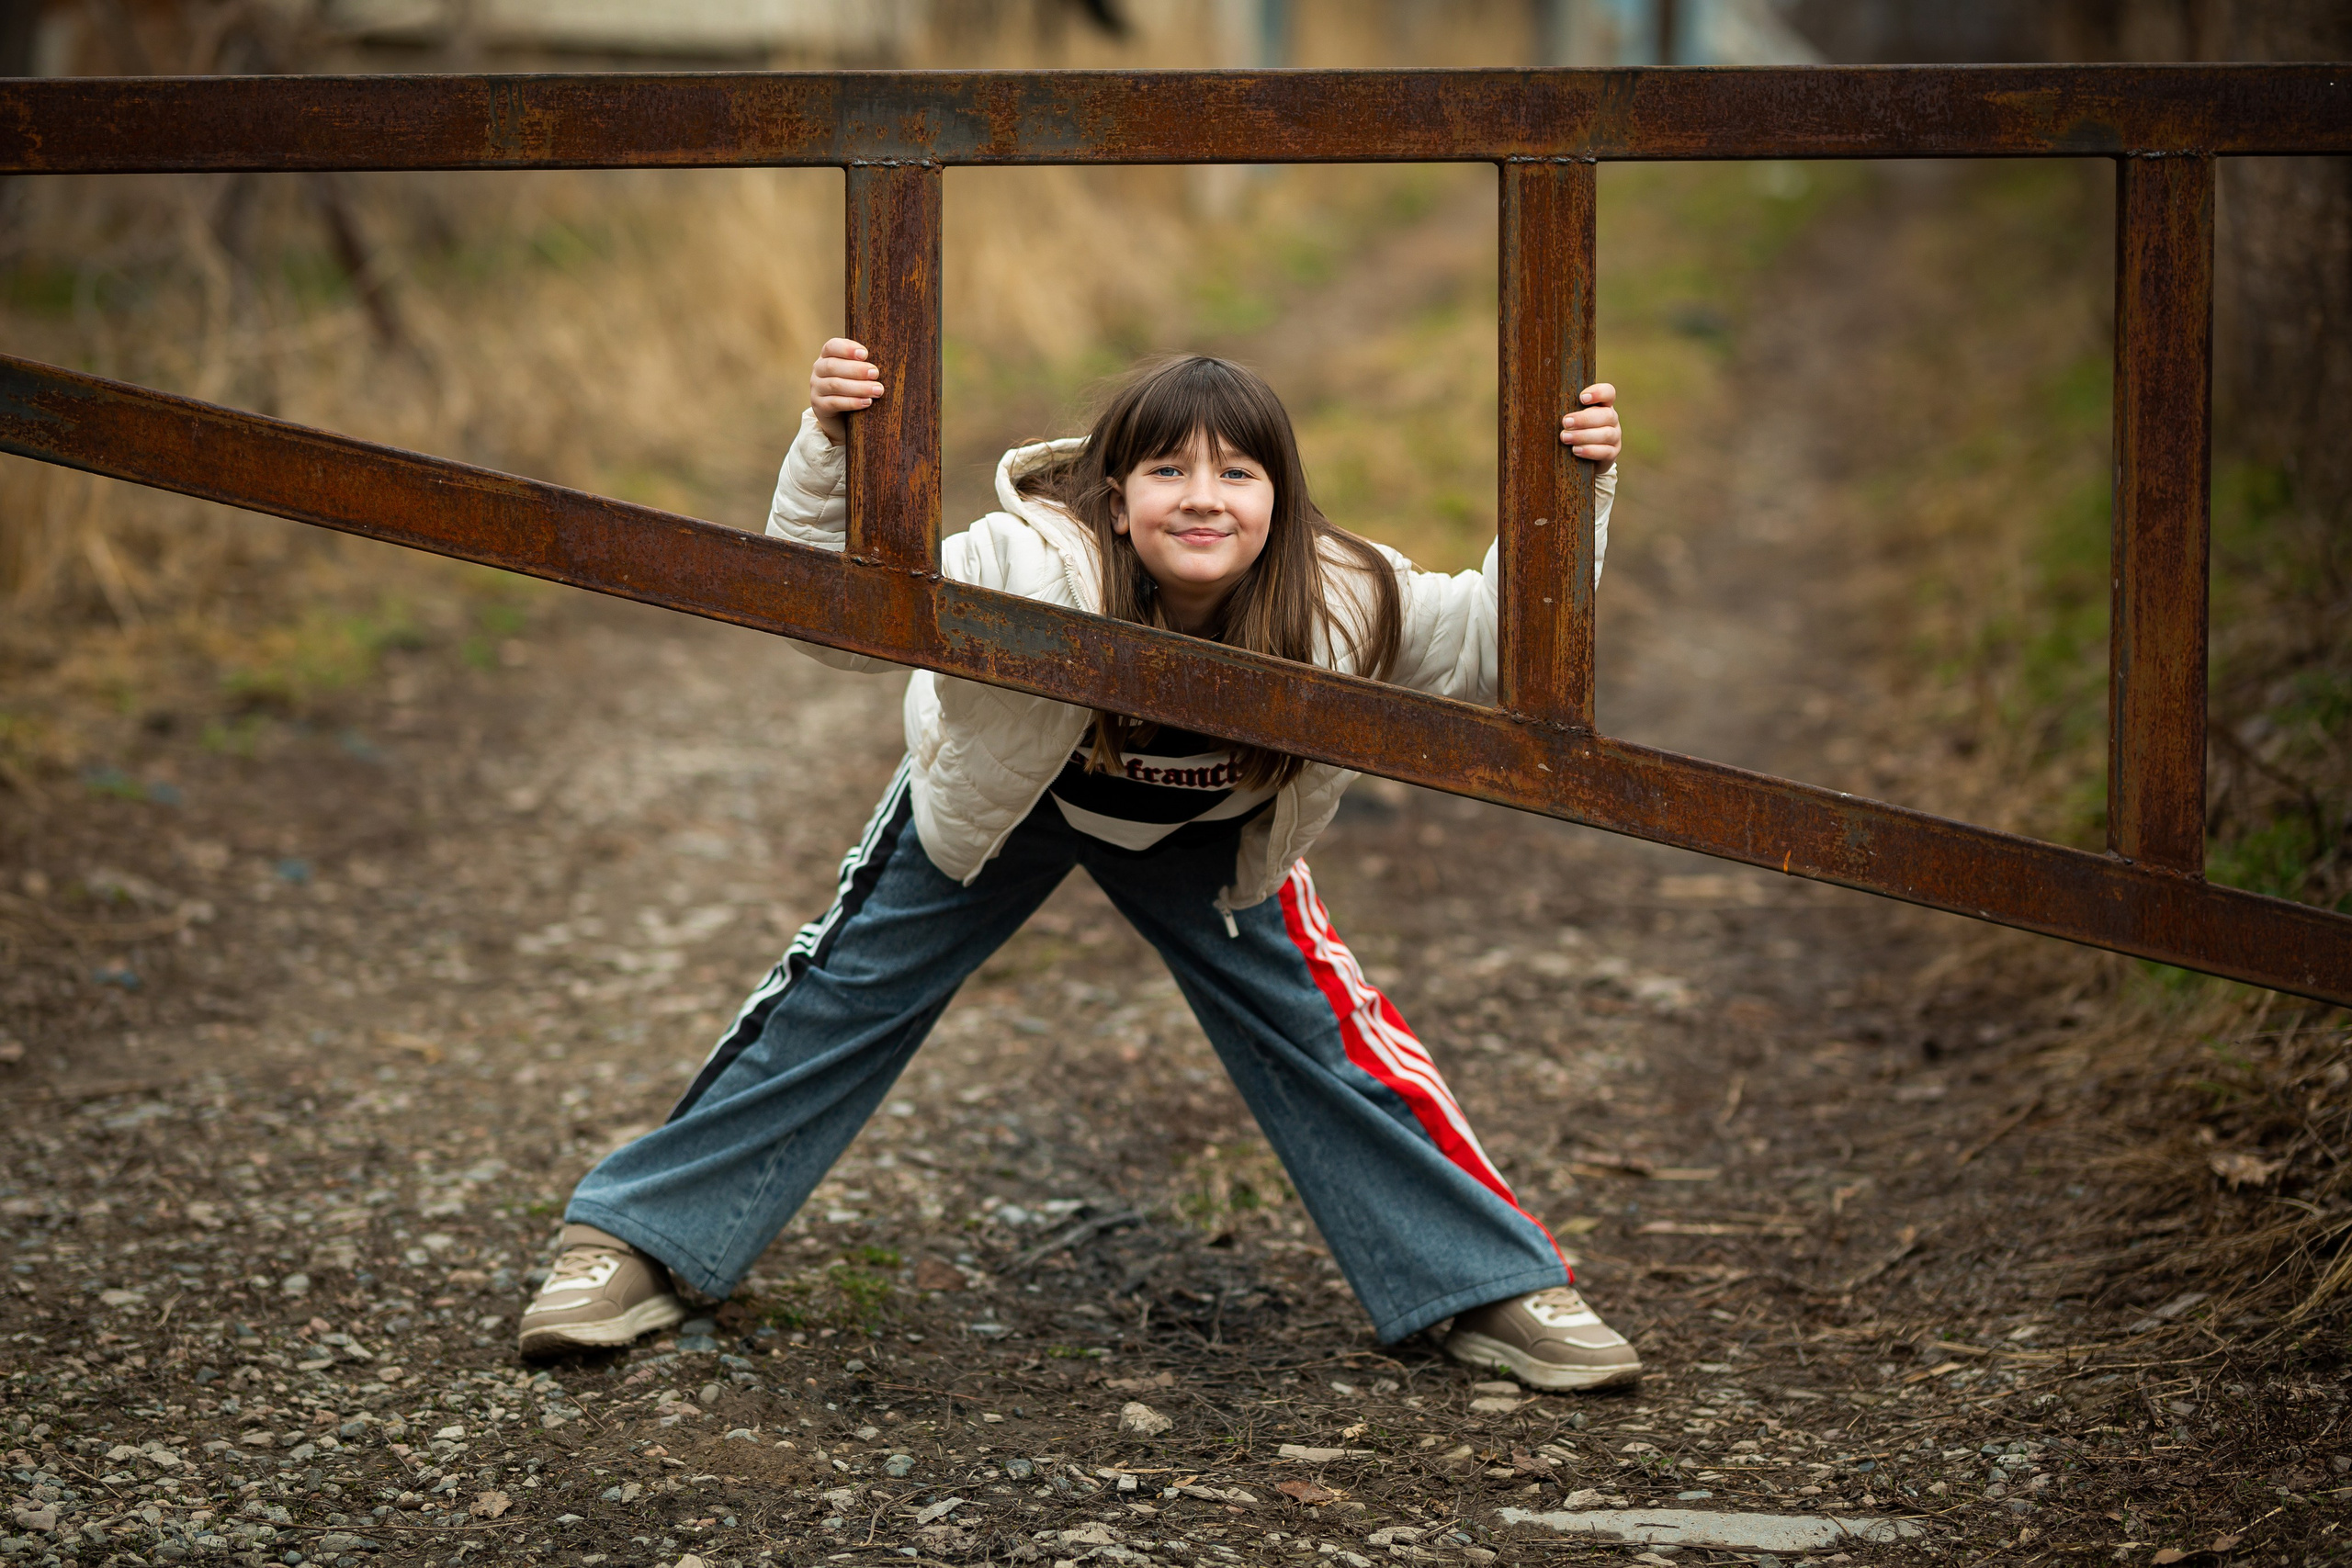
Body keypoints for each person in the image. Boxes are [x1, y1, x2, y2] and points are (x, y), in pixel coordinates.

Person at [516, 340, 1638, 1390]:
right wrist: (830, 444)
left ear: (1280, 505)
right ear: (1113, 498)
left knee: (1318, 1024)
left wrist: (1568, 489)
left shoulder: (1347, 600)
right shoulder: (1024, 564)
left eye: (1238, 473)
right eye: (1167, 469)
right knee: (846, 986)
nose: (1203, 496)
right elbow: (833, 620)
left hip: (1211, 826)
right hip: (1014, 791)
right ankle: (635, 1235)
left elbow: (1503, 647)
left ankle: (1487, 1281)